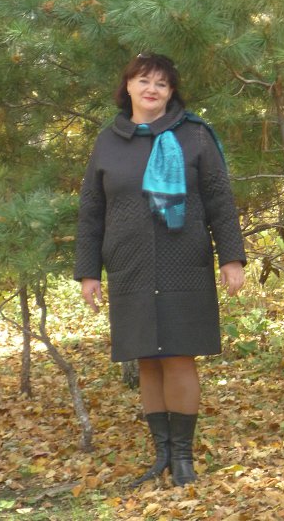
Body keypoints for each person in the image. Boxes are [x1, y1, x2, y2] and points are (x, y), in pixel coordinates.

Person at [74, 52, 246, 487]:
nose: (152, 89)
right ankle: (161, 456)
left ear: (171, 92)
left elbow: (220, 199)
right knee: (147, 360)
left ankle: (183, 459)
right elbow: (92, 209)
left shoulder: (195, 135)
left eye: (162, 83)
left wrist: (231, 258)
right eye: (144, 80)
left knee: (178, 356)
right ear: (128, 87)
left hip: (183, 261)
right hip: (128, 265)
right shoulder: (108, 141)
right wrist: (89, 271)